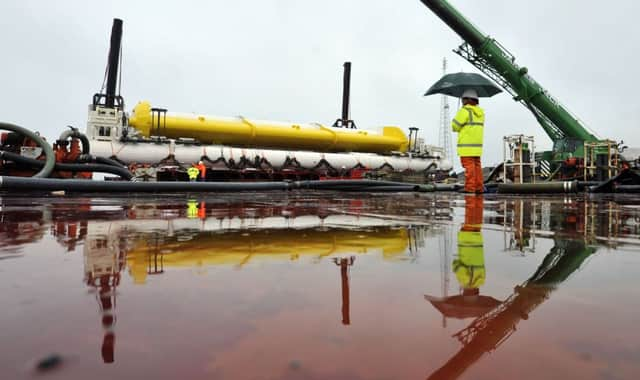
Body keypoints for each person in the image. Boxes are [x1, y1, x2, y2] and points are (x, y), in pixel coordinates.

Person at [452, 89, 485, 193]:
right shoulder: (480, 113)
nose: (462, 101)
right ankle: (479, 188)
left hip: (466, 146)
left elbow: (454, 126)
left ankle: (470, 188)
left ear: (466, 100)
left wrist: (458, 114)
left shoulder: (464, 111)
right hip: (477, 146)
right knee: (477, 167)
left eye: (463, 100)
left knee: (469, 167)